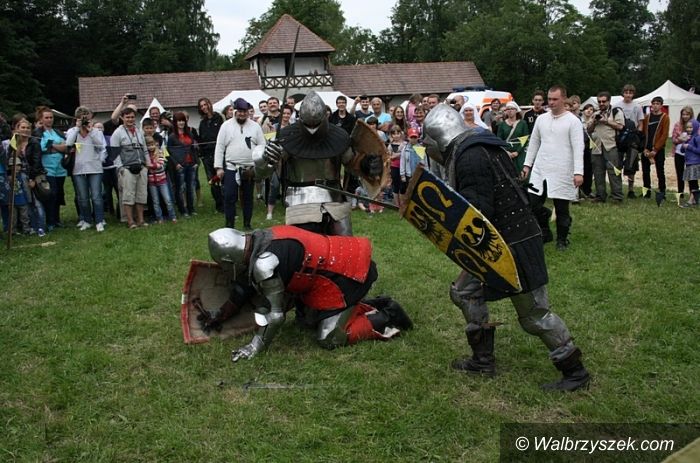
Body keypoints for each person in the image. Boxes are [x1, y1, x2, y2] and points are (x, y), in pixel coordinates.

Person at [423, 104, 590, 391]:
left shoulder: (470, 157)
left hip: (511, 244)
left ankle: (575, 371)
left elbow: (477, 213)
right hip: (496, 242)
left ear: (440, 140)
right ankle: (482, 360)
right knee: (464, 292)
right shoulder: (481, 144)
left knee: (534, 314)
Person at [206, 225, 412, 362]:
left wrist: (255, 346)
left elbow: (276, 315)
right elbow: (249, 288)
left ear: (230, 260)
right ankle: (369, 306)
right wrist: (223, 311)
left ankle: (388, 315)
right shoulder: (262, 237)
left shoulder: (264, 263)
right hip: (330, 272)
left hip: (348, 274)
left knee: (329, 338)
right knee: (307, 322)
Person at [255, 91, 380, 236]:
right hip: (299, 199)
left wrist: (367, 164)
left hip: (334, 198)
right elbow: (263, 172)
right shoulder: (287, 137)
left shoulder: (339, 138)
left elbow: (352, 163)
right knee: (304, 244)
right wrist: (265, 157)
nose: (312, 129)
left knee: (343, 244)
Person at [523, 85, 584, 250]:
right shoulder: (541, 119)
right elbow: (534, 142)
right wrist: (527, 165)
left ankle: (562, 240)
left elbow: (578, 148)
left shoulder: (573, 121)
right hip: (541, 169)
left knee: (561, 207)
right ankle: (545, 231)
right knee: (533, 204)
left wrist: (578, 172)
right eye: (549, 99)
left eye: (555, 99)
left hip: (562, 170)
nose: (551, 102)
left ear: (564, 99)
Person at [214, 98, 265, 229]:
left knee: (247, 198)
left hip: (249, 168)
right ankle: (229, 225)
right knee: (229, 196)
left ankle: (247, 224)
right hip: (231, 167)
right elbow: (219, 146)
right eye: (240, 111)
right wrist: (219, 167)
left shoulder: (255, 126)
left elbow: (262, 146)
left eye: (245, 111)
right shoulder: (226, 126)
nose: (242, 114)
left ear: (248, 112)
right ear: (235, 111)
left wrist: (260, 166)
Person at [65, 106, 107, 232]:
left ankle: (99, 220)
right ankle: (87, 220)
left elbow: (100, 145)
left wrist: (91, 131)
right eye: (81, 117)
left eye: (86, 117)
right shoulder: (72, 131)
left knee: (96, 196)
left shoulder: (96, 131)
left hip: (94, 168)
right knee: (83, 197)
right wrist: (77, 128)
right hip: (78, 168)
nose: (84, 119)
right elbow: (68, 143)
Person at [110, 107, 151, 228]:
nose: (130, 119)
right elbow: (114, 153)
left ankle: (141, 220)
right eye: (127, 117)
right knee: (128, 196)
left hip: (141, 167)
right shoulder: (117, 133)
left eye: (132, 117)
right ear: (122, 118)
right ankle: (130, 221)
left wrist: (147, 164)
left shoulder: (138, 131)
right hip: (127, 168)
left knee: (141, 195)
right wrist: (121, 169)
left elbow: (145, 149)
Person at [587, 91, 625, 203]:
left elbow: (620, 126)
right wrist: (594, 122)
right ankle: (600, 195)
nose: (601, 103)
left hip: (611, 145)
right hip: (596, 146)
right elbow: (588, 130)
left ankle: (617, 196)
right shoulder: (595, 113)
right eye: (599, 101)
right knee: (598, 172)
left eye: (604, 101)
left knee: (613, 172)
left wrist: (606, 121)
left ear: (609, 101)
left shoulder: (616, 111)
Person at [35, 106, 68, 230]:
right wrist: (57, 146)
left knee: (58, 194)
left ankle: (57, 219)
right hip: (47, 168)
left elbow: (66, 146)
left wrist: (53, 145)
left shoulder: (57, 132)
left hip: (60, 167)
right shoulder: (38, 133)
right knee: (50, 194)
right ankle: (50, 221)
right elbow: (42, 148)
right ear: (41, 119)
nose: (49, 120)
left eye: (51, 117)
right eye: (46, 117)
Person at [613, 84, 645, 198]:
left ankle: (631, 189)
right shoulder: (616, 106)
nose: (628, 95)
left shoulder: (637, 106)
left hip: (632, 137)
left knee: (631, 165)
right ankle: (617, 189)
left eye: (630, 93)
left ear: (633, 94)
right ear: (623, 93)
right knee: (617, 163)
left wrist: (637, 136)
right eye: (626, 92)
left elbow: (640, 123)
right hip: (620, 137)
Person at [167, 111, 199, 217]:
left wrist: (196, 162)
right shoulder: (172, 137)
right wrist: (176, 164)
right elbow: (168, 152)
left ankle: (191, 209)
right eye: (179, 121)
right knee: (180, 188)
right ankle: (183, 210)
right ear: (175, 122)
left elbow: (193, 149)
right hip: (180, 165)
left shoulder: (189, 134)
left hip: (191, 164)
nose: (181, 123)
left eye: (182, 120)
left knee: (191, 188)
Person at [197, 97, 224, 213]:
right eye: (201, 106)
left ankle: (226, 203)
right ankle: (219, 205)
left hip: (219, 153)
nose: (204, 107)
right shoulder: (202, 123)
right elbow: (201, 139)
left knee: (222, 179)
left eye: (205, 104)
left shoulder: (219, 118)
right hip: (207, 156)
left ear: (209, 104)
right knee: (212, 181)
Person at [641, 96, 670, 203]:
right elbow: (643, 133)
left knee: (660, 171)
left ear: (661, 105)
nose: (655, 105)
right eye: (654, 103)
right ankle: (646, 192)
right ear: (651, 105)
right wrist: (644, 148)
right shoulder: (647, 117)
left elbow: (664, 134)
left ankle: (662, 192)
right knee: (645, 171)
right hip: (646, 148)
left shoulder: (665, 117)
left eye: (658, 104)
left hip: (658, 149)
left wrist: (656, 149)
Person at [145, 135, 177, 222]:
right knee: (155, 201)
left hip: (162, 181)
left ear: (155, 144)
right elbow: (146, 166)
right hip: (152, 182)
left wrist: (151, 166)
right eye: (148, 145)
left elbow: (161, 165)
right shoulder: (146, 155)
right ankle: (159, 218)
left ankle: (173, 216)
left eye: (152, 144)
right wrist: (152, 166)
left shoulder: (160, 152)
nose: (151, 147)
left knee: (167, 199)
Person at [496, 101, 530, 172]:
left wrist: (517, 152)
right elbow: (499, 140)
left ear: (516, 110)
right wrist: (506, 152)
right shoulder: (502, 124)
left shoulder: (522, 123)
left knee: (521, 173)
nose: (510, 110)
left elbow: (525, 138)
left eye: (512, 109)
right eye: (508, 109)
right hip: (506, 153)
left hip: (520, 152)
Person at [672, 107, 696, 204]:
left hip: (691, 154)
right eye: (683, 114)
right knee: (680, 174)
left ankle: (693, 197)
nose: (685, 116)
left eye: (687, 114)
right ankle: (680, 195)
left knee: (691, 175)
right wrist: (679, 139)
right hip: (679, 153)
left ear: (691, 115)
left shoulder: (696, 125)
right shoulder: (677, 125)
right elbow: (674, 139)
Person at [679, 119, 700, 207]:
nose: (688, 129)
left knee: (693, 182)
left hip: (695, 163)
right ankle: (695, 200)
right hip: (688, 162)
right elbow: (682, 150)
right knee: (691, 181)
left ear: (695, 127)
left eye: (691, 127)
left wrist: (689, 147)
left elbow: (699, 150)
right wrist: (684, 142)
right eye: (687, 127)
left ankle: (691, 201)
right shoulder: (688, 137)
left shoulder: (697, 138)